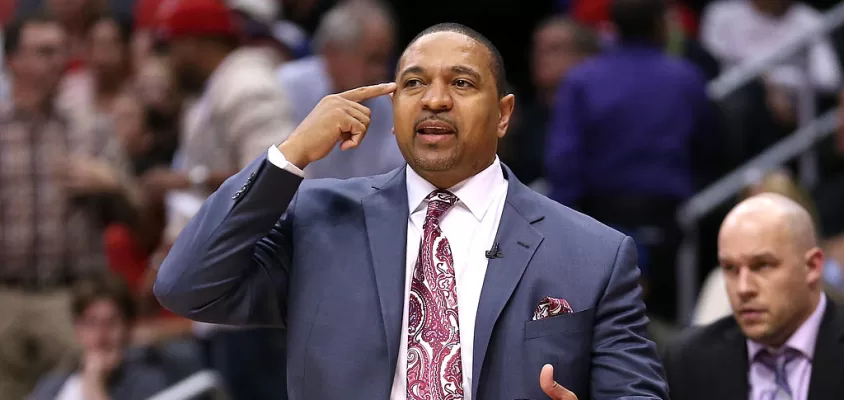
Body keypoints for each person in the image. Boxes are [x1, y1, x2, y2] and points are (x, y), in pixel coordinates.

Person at [155, 23, 668, 400]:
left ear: (505, 114)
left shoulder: (594, 253)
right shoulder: (319, 219)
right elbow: (187, 285)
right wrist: (288, 157)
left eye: (462, 84)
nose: (435, 101)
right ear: (393, 105)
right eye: (415, 84)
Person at [544, 0, 716, 322]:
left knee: (597, 324)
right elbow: (707, 148)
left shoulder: (582, 80)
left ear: (611, 28)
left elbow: (564, 161)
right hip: (666, 223)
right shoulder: (685, 77)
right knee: (666, 325)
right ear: (662, 26)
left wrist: (560, 228)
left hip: (594, 223)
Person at [662, 193, 844, 400]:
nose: (743, 288)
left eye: (762, 265)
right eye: (730, 269)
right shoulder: (688, 361)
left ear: (812, 266)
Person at [276, 0, 404, 179]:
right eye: (372, 60)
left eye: (384, 60)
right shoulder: (284, 89)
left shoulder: (389, 105)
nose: (380, 72)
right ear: (332, 53)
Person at [28, 272, 169, 400]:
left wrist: (94, 385)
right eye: (91, 322)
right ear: (78, 329)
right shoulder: (51, 384)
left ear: (127, 328)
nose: (101, 335)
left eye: (111, 323)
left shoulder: (147, 384)